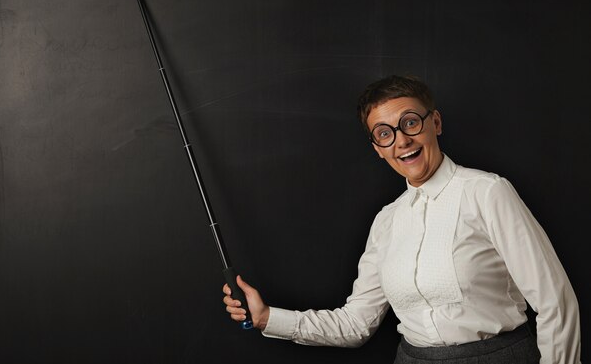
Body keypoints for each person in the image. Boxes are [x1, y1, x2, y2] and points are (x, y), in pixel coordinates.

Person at [222, 75, 581, 364]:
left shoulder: (487, 192)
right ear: (378, 148)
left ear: (434, 122)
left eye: (410, 122)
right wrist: (268, 317)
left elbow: (555, 302)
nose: (401, 140)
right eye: (384, 133)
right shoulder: (386, 222)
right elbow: (356, 324)